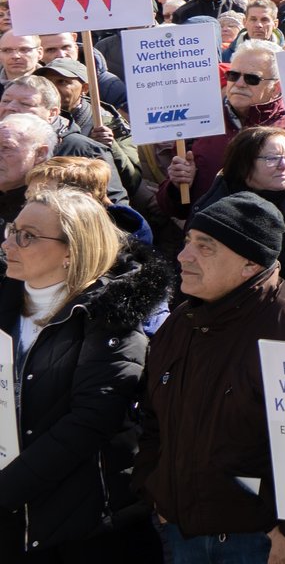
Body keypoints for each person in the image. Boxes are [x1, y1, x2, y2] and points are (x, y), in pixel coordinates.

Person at [139, 193, 285, 560]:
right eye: (188, 242)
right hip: (179, 531)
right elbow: (154, 418)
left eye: (205, 248)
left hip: (259, 541)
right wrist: (154, 490)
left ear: (250, 264)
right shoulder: (182, 321)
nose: (183, 256)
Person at [0, 187, 175, 559]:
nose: (9, 244)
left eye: (27, 236)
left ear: (71, 251)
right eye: (11, 230)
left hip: (84, 530)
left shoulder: (109, 319)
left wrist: (6, 488)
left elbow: (88, 424)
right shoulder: (6, 305)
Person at [160, 39, 285, 220]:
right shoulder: (200, 121)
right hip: (205, 236)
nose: (240, 83)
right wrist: (178, 185)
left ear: (275, 88)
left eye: (252, 78)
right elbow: (174, 209)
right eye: (233, 75)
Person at [191, 126, 285, 294]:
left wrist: (269, 301)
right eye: (272, 159)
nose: (284, 165)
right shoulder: (213, 205)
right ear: (243, 165)